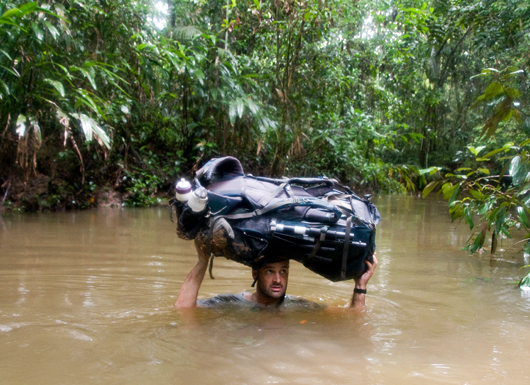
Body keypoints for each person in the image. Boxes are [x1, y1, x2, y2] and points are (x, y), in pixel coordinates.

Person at [175, 241, 378, 310]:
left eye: (283, 271)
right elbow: (183, 310)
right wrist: (202, 261)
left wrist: (360, 285)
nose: (278, 280)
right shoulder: (232, 303)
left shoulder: (298, 306)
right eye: (269, 271)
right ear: (255, 273)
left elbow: (354, 319)